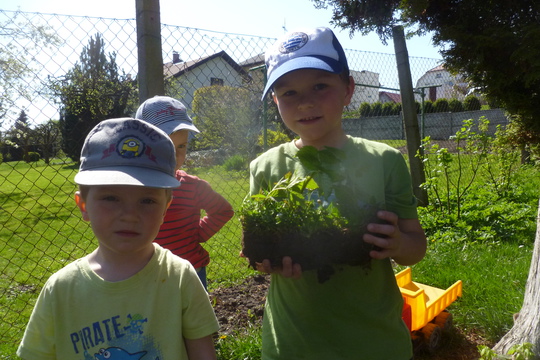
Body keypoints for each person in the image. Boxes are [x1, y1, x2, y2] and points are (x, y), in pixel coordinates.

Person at [248, 27, 427, 359]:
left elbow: (416, 246)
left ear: (348, 89)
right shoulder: (265, 168)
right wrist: (268, 262)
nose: (305, 102)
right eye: (288, 93)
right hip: (292, 342)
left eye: (320, 86)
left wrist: (400, 244)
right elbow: (260, 254)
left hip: (373, 341)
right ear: (275, 101)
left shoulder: (384, 161)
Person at [17, 118, 219, 359]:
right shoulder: (60, 290)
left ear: (166, 208)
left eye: (147, 201)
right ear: (83, 205)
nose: (130, 215)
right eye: (111, 198)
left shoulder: (180, 277)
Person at [135, 96, 234, 290]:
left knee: (194, 319)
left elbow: (223, 210)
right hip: (148, 274)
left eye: (181, 146)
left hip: (191, 271)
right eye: (165, 145)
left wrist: (198, 234)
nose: (175, 155)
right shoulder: (133, 189)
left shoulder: (191, 186)